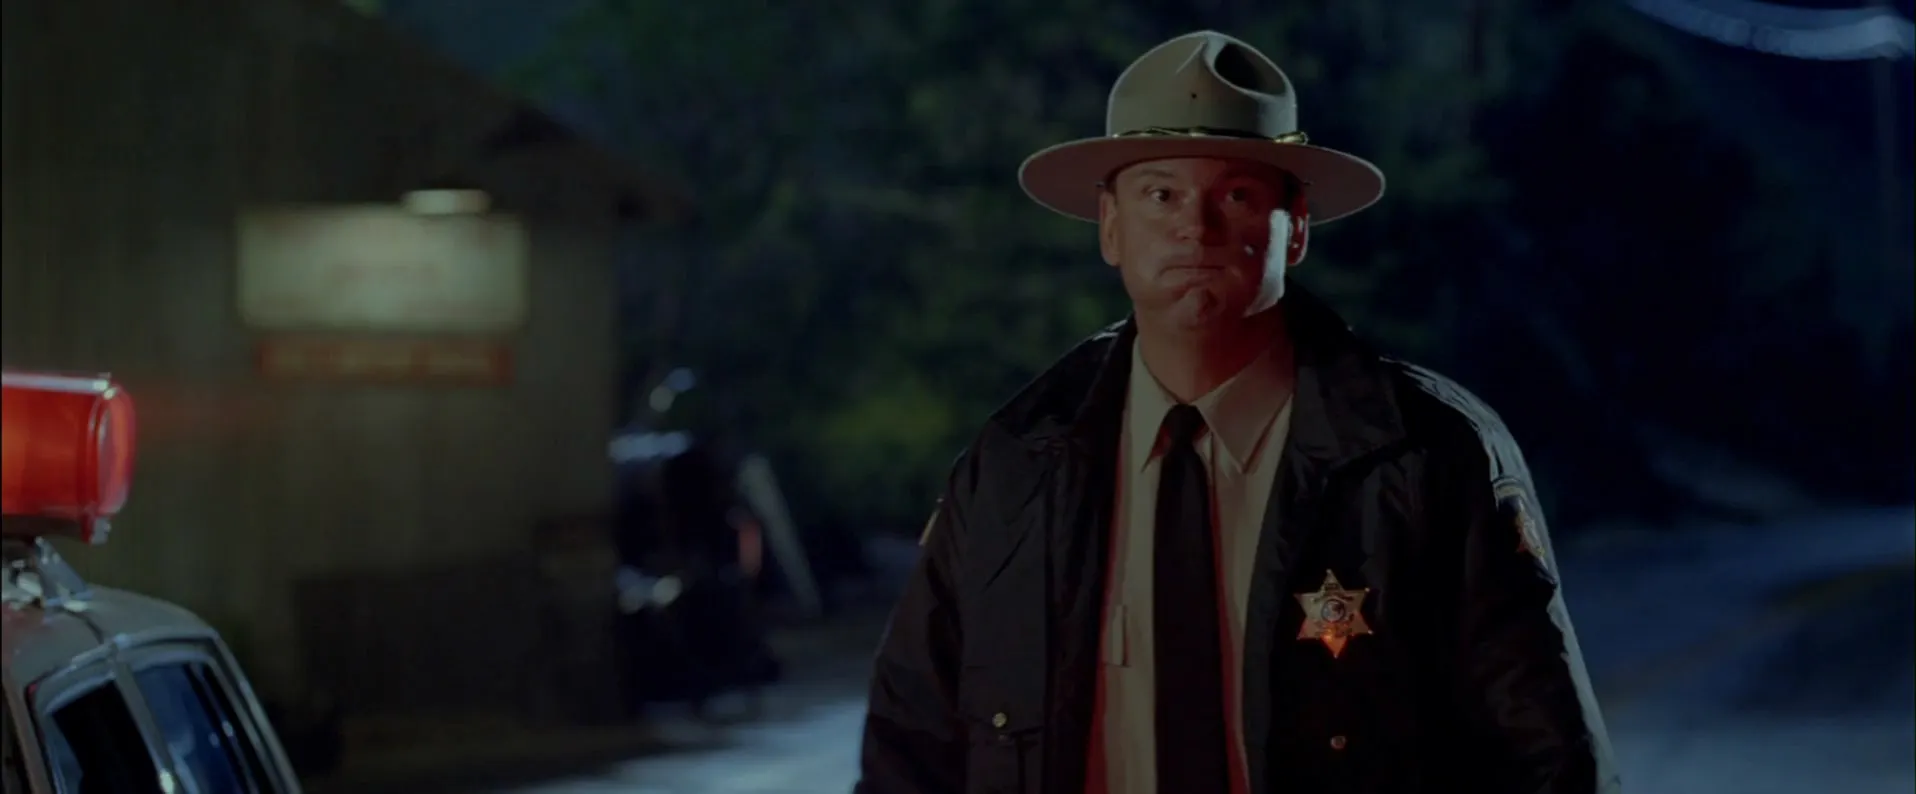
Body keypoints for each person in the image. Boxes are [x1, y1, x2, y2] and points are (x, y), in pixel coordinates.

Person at [855, 30, 1619, 794]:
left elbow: (1549, 763)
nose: (1195, 227)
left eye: (1237, 195)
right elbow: (908, 752)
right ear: (1111, 225)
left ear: (1297, 228)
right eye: (1160, 194)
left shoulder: (1424, 455)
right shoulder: (1017, 464)